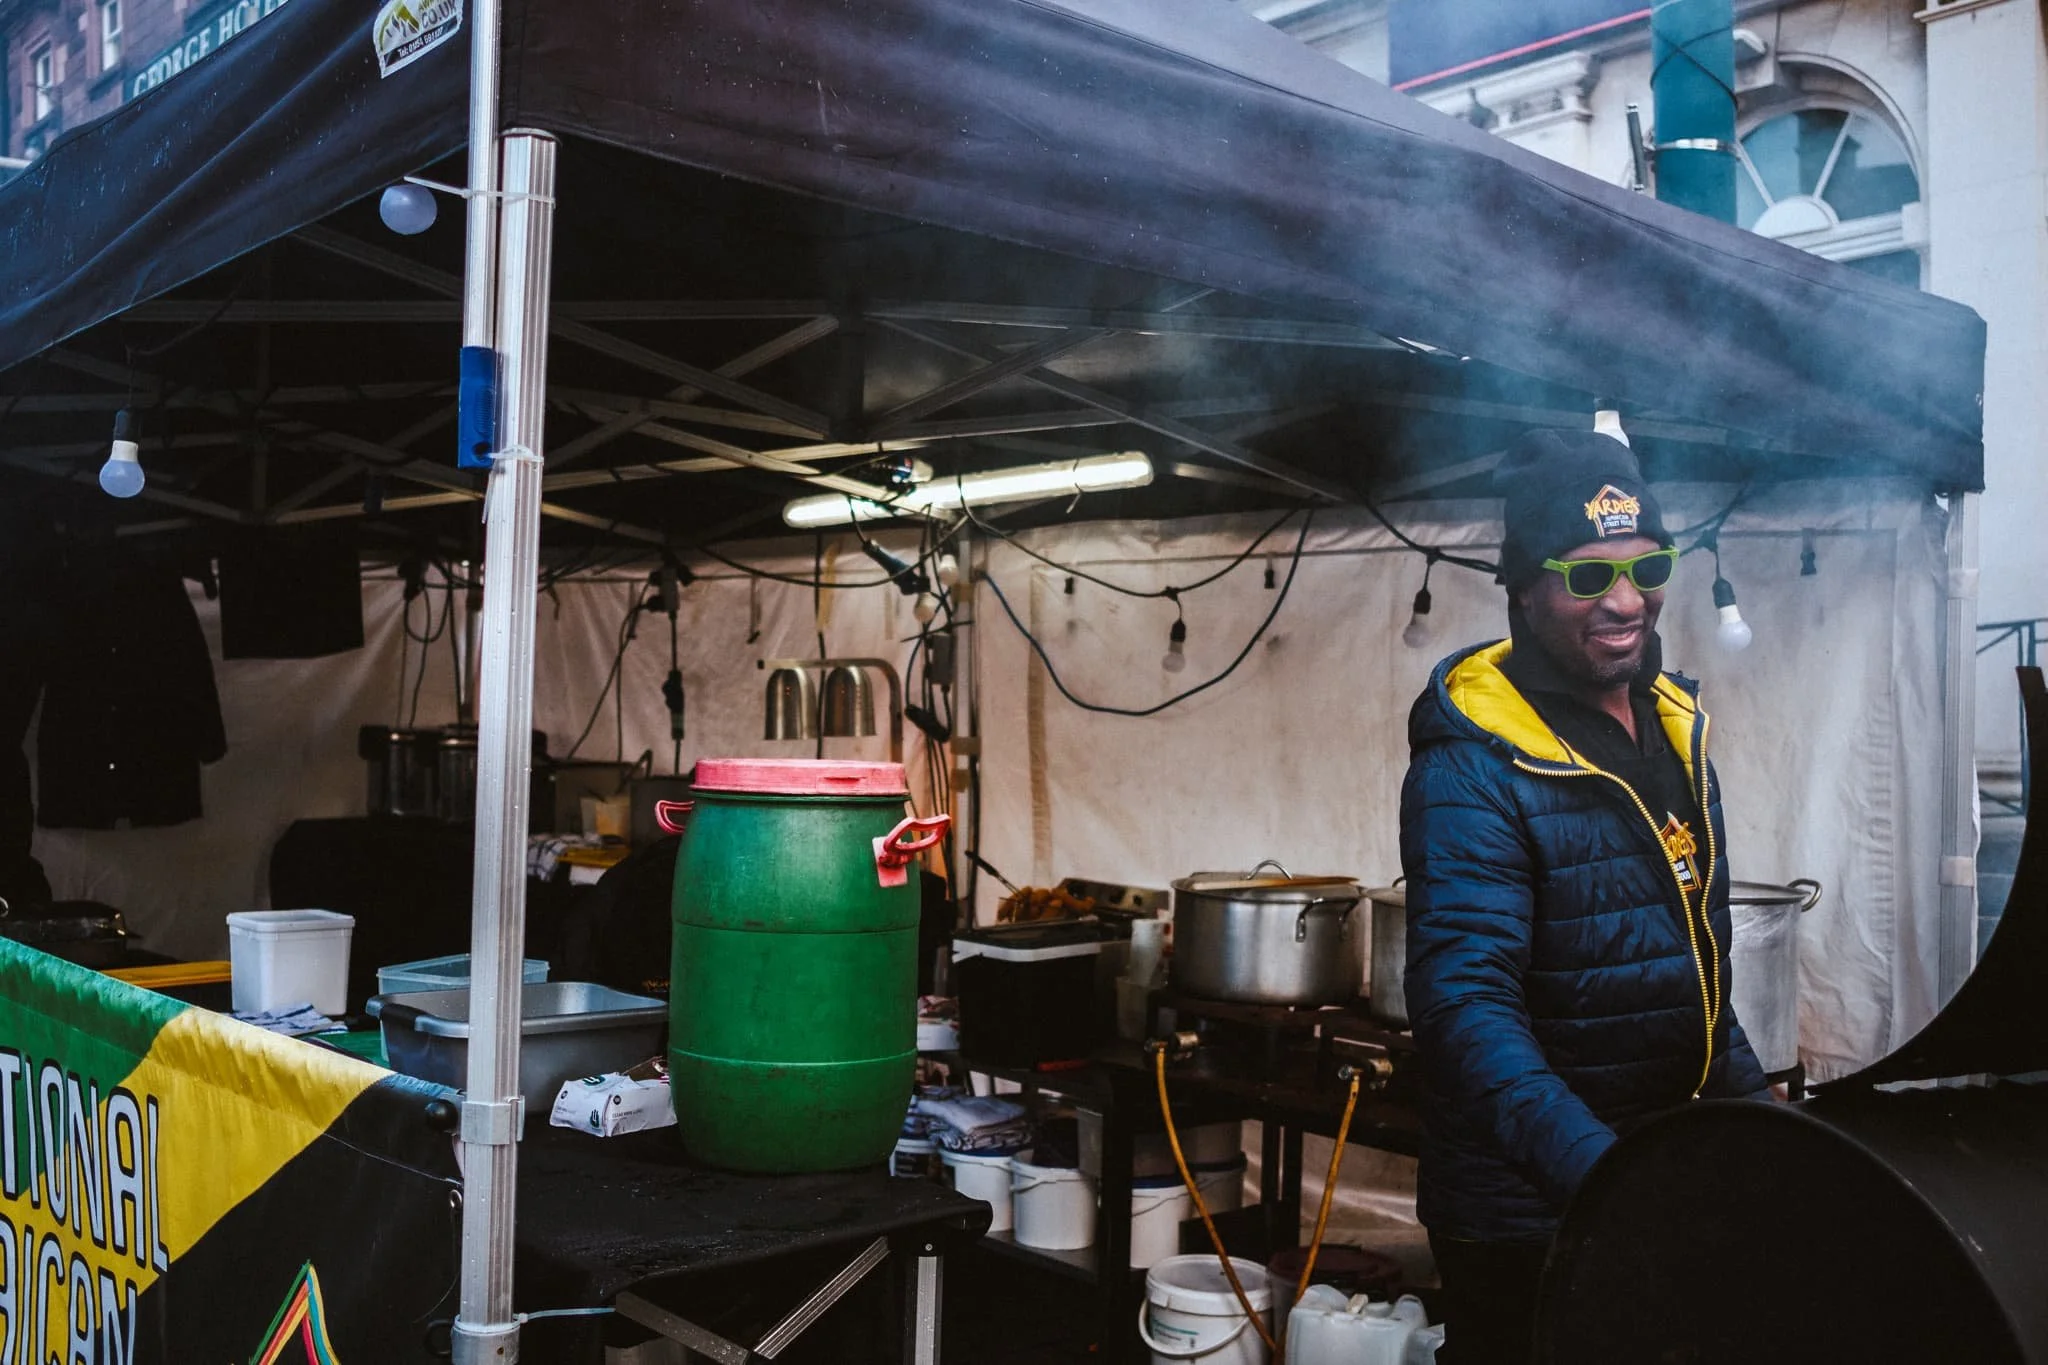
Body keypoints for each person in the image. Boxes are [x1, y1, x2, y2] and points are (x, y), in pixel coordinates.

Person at [1399, 427, 1770, 1364]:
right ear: (1524, 584)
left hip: (1651, 1179)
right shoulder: (1473, 763)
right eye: (1587, 574)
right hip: (1529, 1212)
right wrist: (1601, 1171)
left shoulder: (1676, 732)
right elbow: (1464, 1007)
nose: (1626, 599)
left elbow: (1695, 969)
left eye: (1648, 565)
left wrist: (1766, 1122)